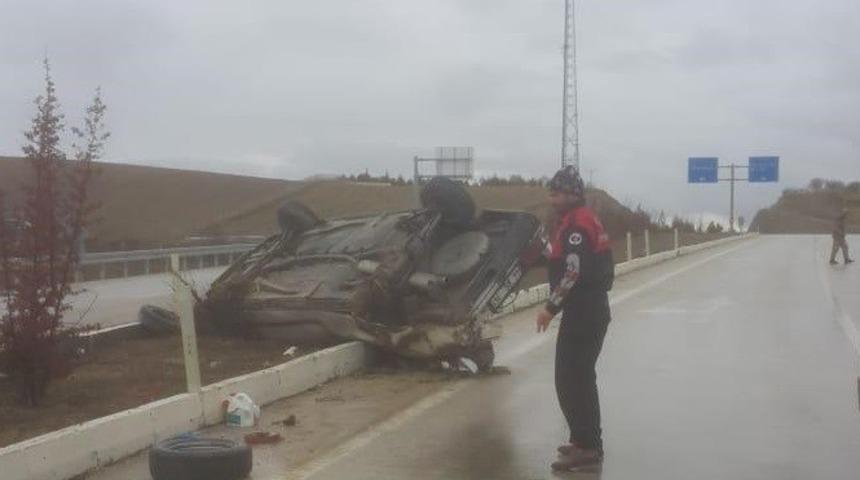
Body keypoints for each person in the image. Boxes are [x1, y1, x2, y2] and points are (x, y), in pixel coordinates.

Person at [535, 165, 615, 472]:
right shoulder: (577, 221)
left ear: (572, 194)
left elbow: (572, 272)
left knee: (571, 379)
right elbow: (570, 261)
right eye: (551, 193)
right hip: (588, 309)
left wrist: (549, 308)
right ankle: (585, 441)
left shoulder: (576, 225)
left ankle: (588, 447)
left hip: (584, 310)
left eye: (556, 194)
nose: (552, 199)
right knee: (578, 378)